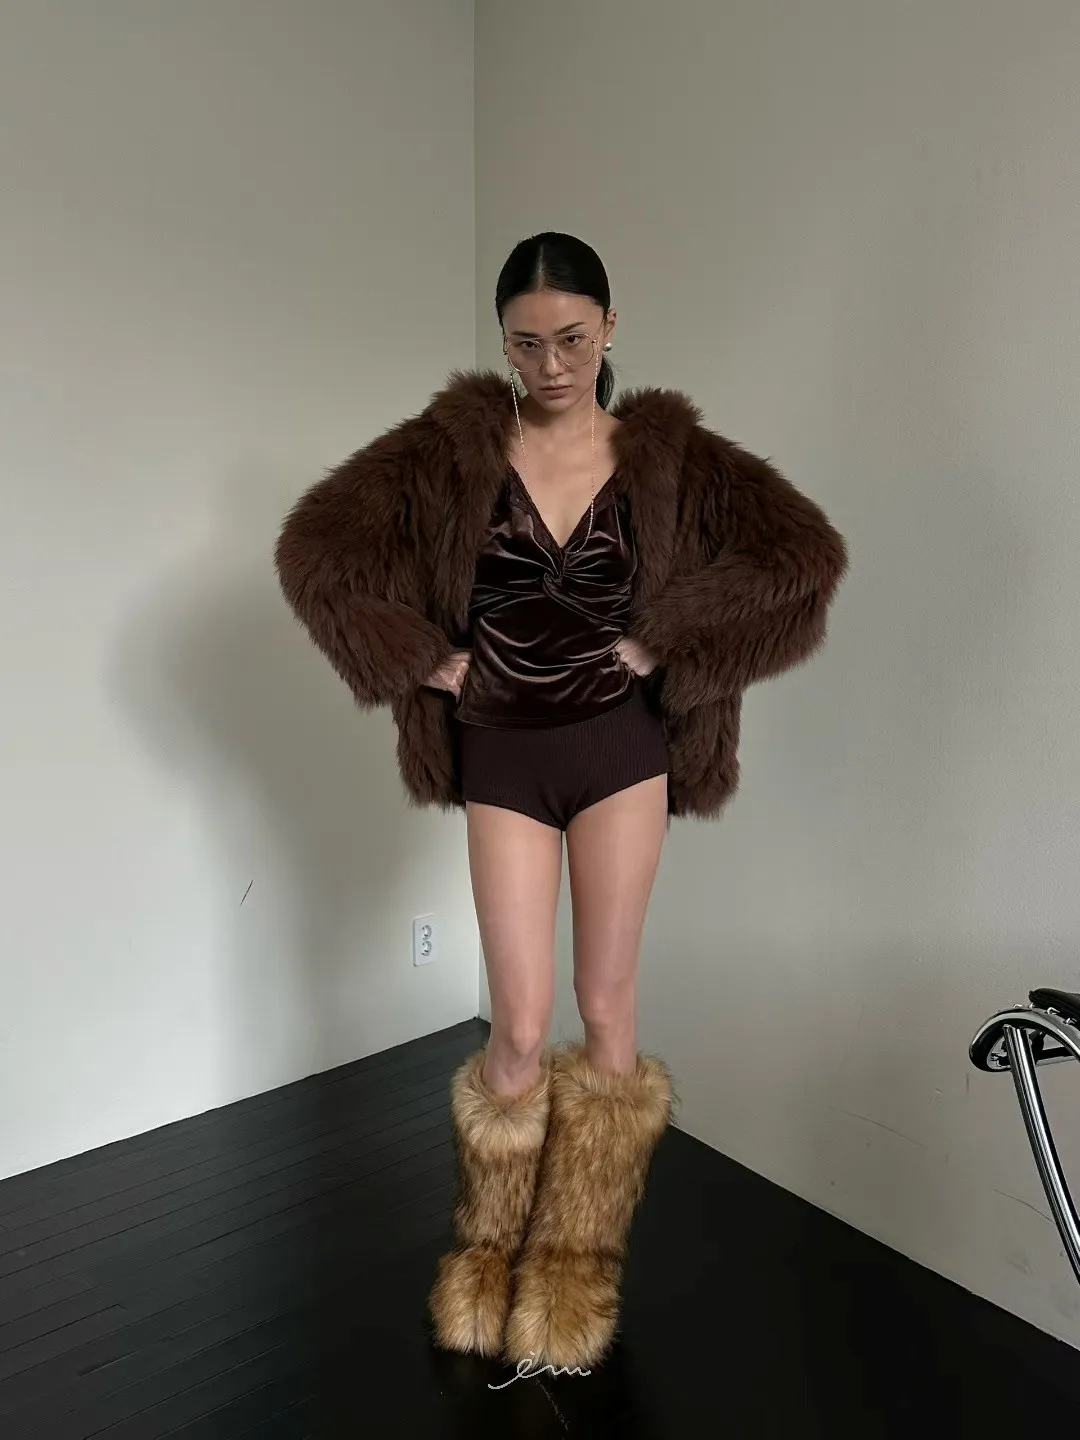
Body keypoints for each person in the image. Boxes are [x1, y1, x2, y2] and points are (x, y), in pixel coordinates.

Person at [274, 232, 848, 1371]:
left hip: (622, 750)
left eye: (572, 340)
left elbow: (803, 559)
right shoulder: (448, 455)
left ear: (610, 330)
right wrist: (424, 659)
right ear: (503, 343)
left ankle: (577, 1268)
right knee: (523, 1024)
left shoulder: (667, 456)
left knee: (606, 1003)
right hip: (502, 752)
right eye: (527, 344)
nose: (550, 366)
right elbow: (315, 554)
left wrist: (667, 640)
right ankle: (487, 1254)